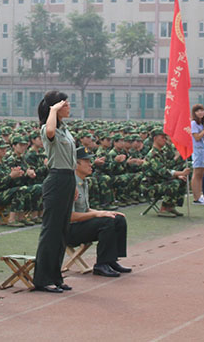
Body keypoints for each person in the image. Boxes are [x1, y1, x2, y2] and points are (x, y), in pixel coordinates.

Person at [33, 90, 77, 294]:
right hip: (57, 179)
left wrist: (74, 184)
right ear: (56, 107)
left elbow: (71, 161)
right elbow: (50, 131)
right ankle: (42, 279)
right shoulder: (47, 128)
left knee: (61, 231)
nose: (68, 107)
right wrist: (53, 110)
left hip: (68, 178)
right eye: (65, 104)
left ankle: (56, 277)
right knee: (51, 231)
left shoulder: (65, 130)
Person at [68, 146, 131, 277]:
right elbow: (70, 216)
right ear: (76, 164)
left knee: (117, 219)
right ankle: (101, 264)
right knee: (106, 222)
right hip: (69, 230)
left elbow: (85, 209)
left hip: (81, 225)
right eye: (86, 161)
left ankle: (111, 259)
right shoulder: (70, 184)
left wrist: (104, 212)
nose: (90, 164)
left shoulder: (83, 181)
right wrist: (97, 214)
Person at [190, 104, 204, 204]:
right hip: (198, 151)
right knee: (197, 173)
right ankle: (196, 197)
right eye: (197, 111)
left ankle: (200, 195)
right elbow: (197, 137)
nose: (200, 113)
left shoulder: (203, 123)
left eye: (201, 110)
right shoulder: (194, 123)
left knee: (202, 174)